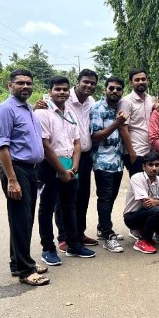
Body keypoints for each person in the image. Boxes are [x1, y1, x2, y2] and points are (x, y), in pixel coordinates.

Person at [0, 69, 48, 286]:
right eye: (20, 83)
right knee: (20, 220)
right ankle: (26, 271)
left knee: (25, 219)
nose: (25, 87)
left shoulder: (27, 109)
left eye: (29, 83)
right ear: (10, 85)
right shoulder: (5, 109)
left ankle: (19, 263)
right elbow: (2, 146)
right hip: (17, 170)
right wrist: (12, 180)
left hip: (31, 170)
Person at [36, 77, 95, 262]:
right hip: (49, 166)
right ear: (50, 92)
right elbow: (45, 144)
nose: (61, 92)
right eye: (57, 89)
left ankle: (73, 244)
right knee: (47, 207)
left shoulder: (70, 113)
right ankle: (48, 249)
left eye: (64, 89)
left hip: (71, 165)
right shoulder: (42, 113)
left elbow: (77, 142)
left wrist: (74, 167)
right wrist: (61, 170)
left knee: (69, 206)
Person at [89, 76, 128, 253]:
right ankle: (107, 235)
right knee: (105, 198)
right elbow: (96, 136)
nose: (115, 91)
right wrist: (117, 123)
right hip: (103, 162)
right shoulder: (97, 109)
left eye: (118, 89)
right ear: (105, 89)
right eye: (111, 88)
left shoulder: (119, 108)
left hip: (117, 162)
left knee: (111, 197)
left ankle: (102, 227)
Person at [65, 69, 98, 248]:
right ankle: (64, 237)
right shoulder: (64, 98)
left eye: (92, 83)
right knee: (66, 197)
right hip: (66, 156)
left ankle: (79, 233)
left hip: (85, 156)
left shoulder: (91, 101)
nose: (89, 85)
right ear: (77, 82)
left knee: (83, 196)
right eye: (86, 82)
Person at [123, 152, 159, 254]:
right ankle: (143, 241)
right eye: (150, 165)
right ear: (143, 167)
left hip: (148, 213)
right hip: (131, 217)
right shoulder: (137, 178)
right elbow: (146, 203)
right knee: (158, 210)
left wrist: (156, 202)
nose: (154, 168)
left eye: (157, 165)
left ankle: (145, 232)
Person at [119, 68, 155, 177]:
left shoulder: (149, 99)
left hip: (149, 151)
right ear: (131, 83)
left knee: (150, 183)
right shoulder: (126, 101)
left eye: (143, 79)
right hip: (136, 152)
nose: (141, 82)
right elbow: (123, 128)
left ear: (147, 81)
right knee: (138, 184)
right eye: (137, 80)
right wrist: (132, 153)